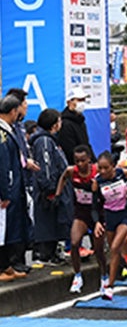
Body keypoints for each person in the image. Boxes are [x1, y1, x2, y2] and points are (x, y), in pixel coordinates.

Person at [55, 145, 107, 294]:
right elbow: (63, 177)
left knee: (98, 249)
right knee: (74, 243)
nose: (79, 164)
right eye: (77, 160)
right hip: (81, 213)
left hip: (98, 214)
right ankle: (77, 276)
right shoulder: (72, 171)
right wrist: (58, 195)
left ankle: (104, 276)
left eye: (83, 160)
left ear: (89, 159)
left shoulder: (97, 171)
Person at [95, 151, 127, 300]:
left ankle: (110, 287)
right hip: (109, 215)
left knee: (114, 248)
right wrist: (97, 222)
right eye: (100, 168)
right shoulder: (98, 182)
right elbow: (95, 206)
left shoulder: (121, 174)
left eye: (106, 168)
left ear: (113, 167)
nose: (102, 171)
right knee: (115, 252)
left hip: (125, 214)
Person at [30, 109, 71, 266]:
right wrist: (51, 189)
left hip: (54, 188)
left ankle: (52, 252)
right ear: (54, 124)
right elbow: (46, 168)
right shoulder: (45, 142)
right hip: (48, 191)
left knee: (54, 223)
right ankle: (45, 254)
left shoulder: (50, 140)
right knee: (47, 222)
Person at [0, 96, 28, 282]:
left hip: (10, 186)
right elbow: (2, 166)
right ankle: (3, 267)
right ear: (12, 111)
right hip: (5, 189)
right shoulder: (2, 133)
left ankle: (6, 266)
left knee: (7, 229)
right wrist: (4, 193)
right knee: (1, 230)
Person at [58, 88, 91, 165]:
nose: (82, 103)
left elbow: (86, 144)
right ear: (69, 102)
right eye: (79, 100)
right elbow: (69, 151)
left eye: (83, 100)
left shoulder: (81, 121)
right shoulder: (65, 124)